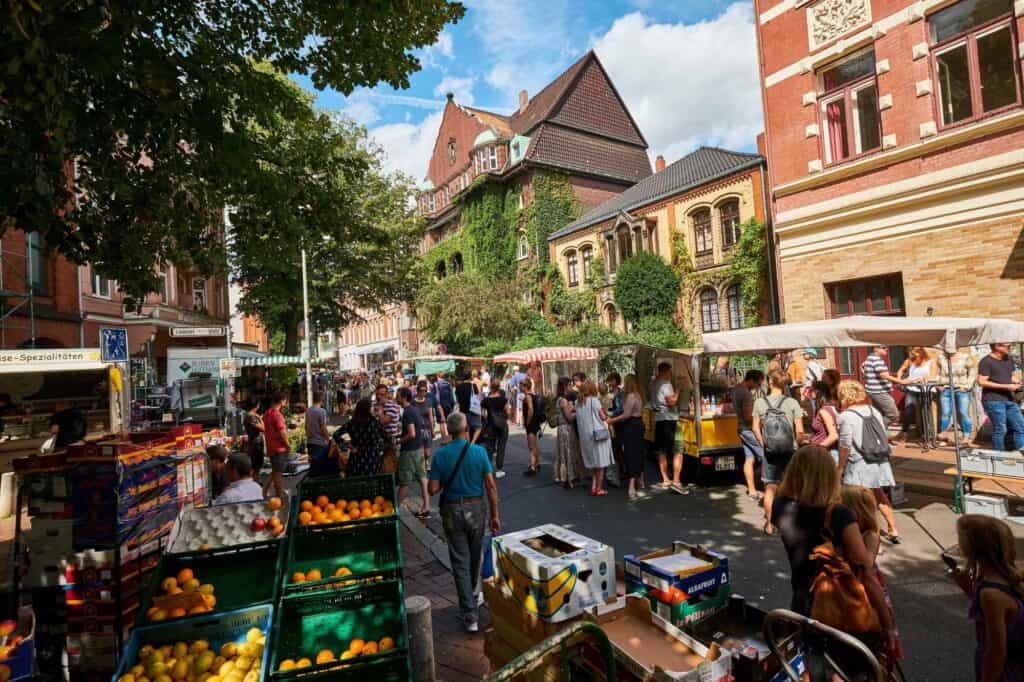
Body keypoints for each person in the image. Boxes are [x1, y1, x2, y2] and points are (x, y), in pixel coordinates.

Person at [772, 446, 897, 671]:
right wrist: (888, 627)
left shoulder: (781, 506)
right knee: (851, 671)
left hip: (803, 603)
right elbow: (866, 572)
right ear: (828, 475)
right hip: (842, 609)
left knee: (817, 668)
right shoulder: (838, 515)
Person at [428, 412, 501, 633]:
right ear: (466, 428)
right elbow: (491, 486)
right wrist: (495, 515)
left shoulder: (440, 455)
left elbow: (432, 489)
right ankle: (473, 596)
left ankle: (470, 615)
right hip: (476, 508)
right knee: (474, 555)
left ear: (449, 431)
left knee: (460, 561)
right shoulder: (478, 452)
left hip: (452, 509)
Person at [949, 515, 1024, 682]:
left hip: (1006, 671)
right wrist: (969, 590)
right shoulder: (1006, 576)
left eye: (959, 536)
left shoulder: (990, 593)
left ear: (973, 546)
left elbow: (996, 649)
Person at [841, 485, 904, 662]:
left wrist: (888, 624)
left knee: (876, 649)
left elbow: (866, 570)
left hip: (867, 592)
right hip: (853, 593)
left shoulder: (870, 534)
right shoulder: (848, 533)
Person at [836, 379, 901, 544]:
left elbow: (845, 445)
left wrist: (840, 467)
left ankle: (874, 538)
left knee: (863, 503)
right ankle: (893, 528)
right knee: (879, 495)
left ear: (844, 395)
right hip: (879, 459)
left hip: (860, 463)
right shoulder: (873, 410)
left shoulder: (845, 416)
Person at [752, 369, 805, 535]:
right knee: (793, 488)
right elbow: (800, 431)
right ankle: (793, 522)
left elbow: (755, 428)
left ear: (770, 382)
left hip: (770, 451)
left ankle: (769, 524)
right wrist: (797, 444)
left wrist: (764, 444)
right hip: (790, 450)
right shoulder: (792, 403)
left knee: (770, 488)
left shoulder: (760, 403)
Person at [978, 343, 1024, 452]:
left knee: (1021, 427)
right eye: (1007, 346)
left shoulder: (1008, 359)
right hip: (993, 400)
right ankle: (999, 455)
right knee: (1001, 429)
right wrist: (1006, 386)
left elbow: (1011, 376)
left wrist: (1017, 381)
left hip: (1009, 399)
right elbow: (981, 381)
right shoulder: (986, 361)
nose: (1010, 348)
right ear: (997, 347)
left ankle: (1020, 454)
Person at [608, 374, 646, 500]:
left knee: (631, 453)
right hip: (639, 424)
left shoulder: (630, 396)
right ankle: (641, 479)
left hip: (631, 426)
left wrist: (611, 421)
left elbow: (626, 415)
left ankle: (632, 485)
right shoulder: (639, 395)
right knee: (639, 452)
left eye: (625, 382)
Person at [651, 362, 686, 494]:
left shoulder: (654, 383)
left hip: (659, 418)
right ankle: (676, 481)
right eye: (669, 372)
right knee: (678, 450)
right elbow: (672, 401)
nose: (670, 375)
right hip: (669, 419)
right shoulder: (666, 384)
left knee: (662, 451)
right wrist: (678, 390)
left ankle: (666, 480)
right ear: (665, 372)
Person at [396, 387, 430, 519]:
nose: (396, 398)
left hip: (409, 451)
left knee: (404, 482)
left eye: (398, 396)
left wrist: (399, 440)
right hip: (418, 449)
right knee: (422, 478)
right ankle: (426, 507)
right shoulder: (414, 409)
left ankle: (395, 509)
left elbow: (411, 433)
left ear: (404, 397)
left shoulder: (408, 412)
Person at [576, 380, 614, 496]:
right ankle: (598, 488)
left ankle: (593, 486)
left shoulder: (578, 402)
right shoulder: (594, 401)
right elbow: (602, 417)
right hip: (598, 435)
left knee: (593, 463)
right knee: (601, 463)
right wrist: (606, 413)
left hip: (585, 437)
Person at [733, 369, 765, 501]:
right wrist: (761, 418)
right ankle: (769, 488)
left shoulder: (736, 389)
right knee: (766, 457)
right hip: (748, 429)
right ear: (752, 380)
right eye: (758, 384)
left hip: (741, 428)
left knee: (749, 459)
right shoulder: (746, 394)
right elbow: (748, 416)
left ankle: (752, 490)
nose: (758, 387)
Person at [334, 398, 388, 477]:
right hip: (372, 460)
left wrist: (348, 445)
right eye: (371, 406)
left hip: (356, 459)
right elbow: (387, 437)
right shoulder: (374, 422)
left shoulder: (352, 422)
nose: (373, 408)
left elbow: (336, 434)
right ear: (367, 409)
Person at [894, 346, 938, 443]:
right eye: (911, 354)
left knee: (926, 412)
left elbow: (932, 376)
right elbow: (901, 370)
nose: (912, 355)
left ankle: (928, 435)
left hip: (926, 390)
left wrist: (915, 380)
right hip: (912, 389)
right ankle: (904, 433)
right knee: (909, 410)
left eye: (914, 353)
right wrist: (900, 379)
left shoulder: (931, 361)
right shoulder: (910, 360)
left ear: (921, 353)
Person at [937, 349, 978, 445]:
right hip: (946, 388)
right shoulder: (941, 357)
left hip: (961, 388)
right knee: (945, 413)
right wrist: (938, 384)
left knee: (963, 412)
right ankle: (944, 437)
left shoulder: (965, 357)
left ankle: (966, 437)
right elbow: (939, 372)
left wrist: (967, 386)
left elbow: (972, 372)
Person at [551, 377, 583, 489]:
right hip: (566, 429)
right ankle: (568, 478)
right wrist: (578, 411)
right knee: (568, 453)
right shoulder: (563, 400)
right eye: (569, 385)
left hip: (562, 429)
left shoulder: (559, 399)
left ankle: (565, 476)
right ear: (565, 386)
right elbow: (569, 417)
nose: (571, 387)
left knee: (564, 454)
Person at [861, 346, 900, 427]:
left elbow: (862, 366)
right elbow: (883, 375)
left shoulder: (870, 357)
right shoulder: (876, 359)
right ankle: (875, 430)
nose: (887, 349)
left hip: (874, 391)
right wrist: (903, 381)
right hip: (879, 391)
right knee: (893, 415)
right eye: (883, 347)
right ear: (876, 349)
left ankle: (877, 436)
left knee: (877, 414)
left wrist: (867, 375)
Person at [261, 391, 289, 499]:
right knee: (277, 475)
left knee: (275, 471)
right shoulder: (277, 415)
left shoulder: (267, 413)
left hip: (271, 447)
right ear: (282, 401)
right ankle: (279, 495)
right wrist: (288, 444)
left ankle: (264, 492)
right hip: (279, 448)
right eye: (285, 400)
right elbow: (282, 432)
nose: (286, 402)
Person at [481, 379, 510, 478]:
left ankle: (488, 469)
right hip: (502, 425)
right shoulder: (504, 399)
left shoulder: (486, 400)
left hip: (490, 425)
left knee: (489, 448)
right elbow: (508, 412)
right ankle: (499, 469)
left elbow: (483, 414)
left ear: (490, 387)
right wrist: (505, 417)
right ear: (499, 387)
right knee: (501, 447)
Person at [809, 380, 840, 464]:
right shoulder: (830, 407)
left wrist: (818, 448)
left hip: (825, 454)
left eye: (811, 390)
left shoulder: (824, 410)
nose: (809, 392)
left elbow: (834, 435)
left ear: (818, 392)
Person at [305, 391, 335, 478]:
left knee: (312, 466)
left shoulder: (308, 410)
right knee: (320, 469)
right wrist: (328, 440)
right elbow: (323, 427)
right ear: (321, 400)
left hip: (310, 442)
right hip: (319, 443)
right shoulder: (322, 411)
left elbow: (306, 426)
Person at [521, 377, 544, 477]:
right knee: (534, 445)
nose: (519, 387)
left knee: (531, 446)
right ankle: (537, 463)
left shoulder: (528, 396)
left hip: (531, 423)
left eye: (520, 385)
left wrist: (527, 421)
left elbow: (530, 409)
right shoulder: (533, 394)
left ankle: (533, 467)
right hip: (535, 422)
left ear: (525, 386)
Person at [413, 380, 437, 470]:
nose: (423, 392)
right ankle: (423, 465)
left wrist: (433, 430)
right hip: (417, 429)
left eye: (425, 391)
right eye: (421, 391)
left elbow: (431, 416)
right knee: (420, 449)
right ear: (417, 391)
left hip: (427, 428)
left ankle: (426, 460)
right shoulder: (413, 402)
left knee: (427, 452)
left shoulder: (428, 401)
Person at [455, 371, 483, 443]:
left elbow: (457, 400)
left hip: (463, 410)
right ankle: (472, 442)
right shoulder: (473, 386)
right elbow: (478, 398)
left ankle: (468, 443)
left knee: (466, 428)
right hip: (473, 410)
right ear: (471, 377)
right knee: (478, 427)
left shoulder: (458, 387)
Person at [374, 384, 402, 453]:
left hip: (390, 442)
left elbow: (383, 422)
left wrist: (380, 408)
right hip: (378, 441)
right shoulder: (374, 405)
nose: (379, 396)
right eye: (377, 394)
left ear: (387, 394)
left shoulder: (392, 406)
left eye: (382, 394)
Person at [242, 400, 265, 481]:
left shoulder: (248, 415)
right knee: (256, 467)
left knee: (255, 467)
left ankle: (255, 483)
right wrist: (260, 418)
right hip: (256, 444)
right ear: (257, 405)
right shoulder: (252, 417)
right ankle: (253, 483)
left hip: (253, 443)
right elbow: (263, 428)